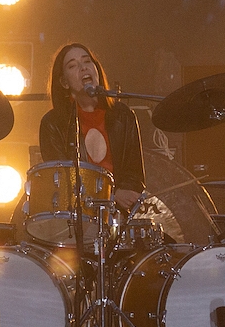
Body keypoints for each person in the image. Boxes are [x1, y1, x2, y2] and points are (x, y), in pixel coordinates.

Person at [38, 43, 145, 212]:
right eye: (73, 65)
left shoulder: (123, 115)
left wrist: (125, 195)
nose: (83, 68)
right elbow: (62, 181)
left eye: (87, 61)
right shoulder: (53, 123)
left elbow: (135, 173)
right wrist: (111, 194)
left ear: (97, 70)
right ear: (64, 82)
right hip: (76, 217)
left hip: (119, 217)